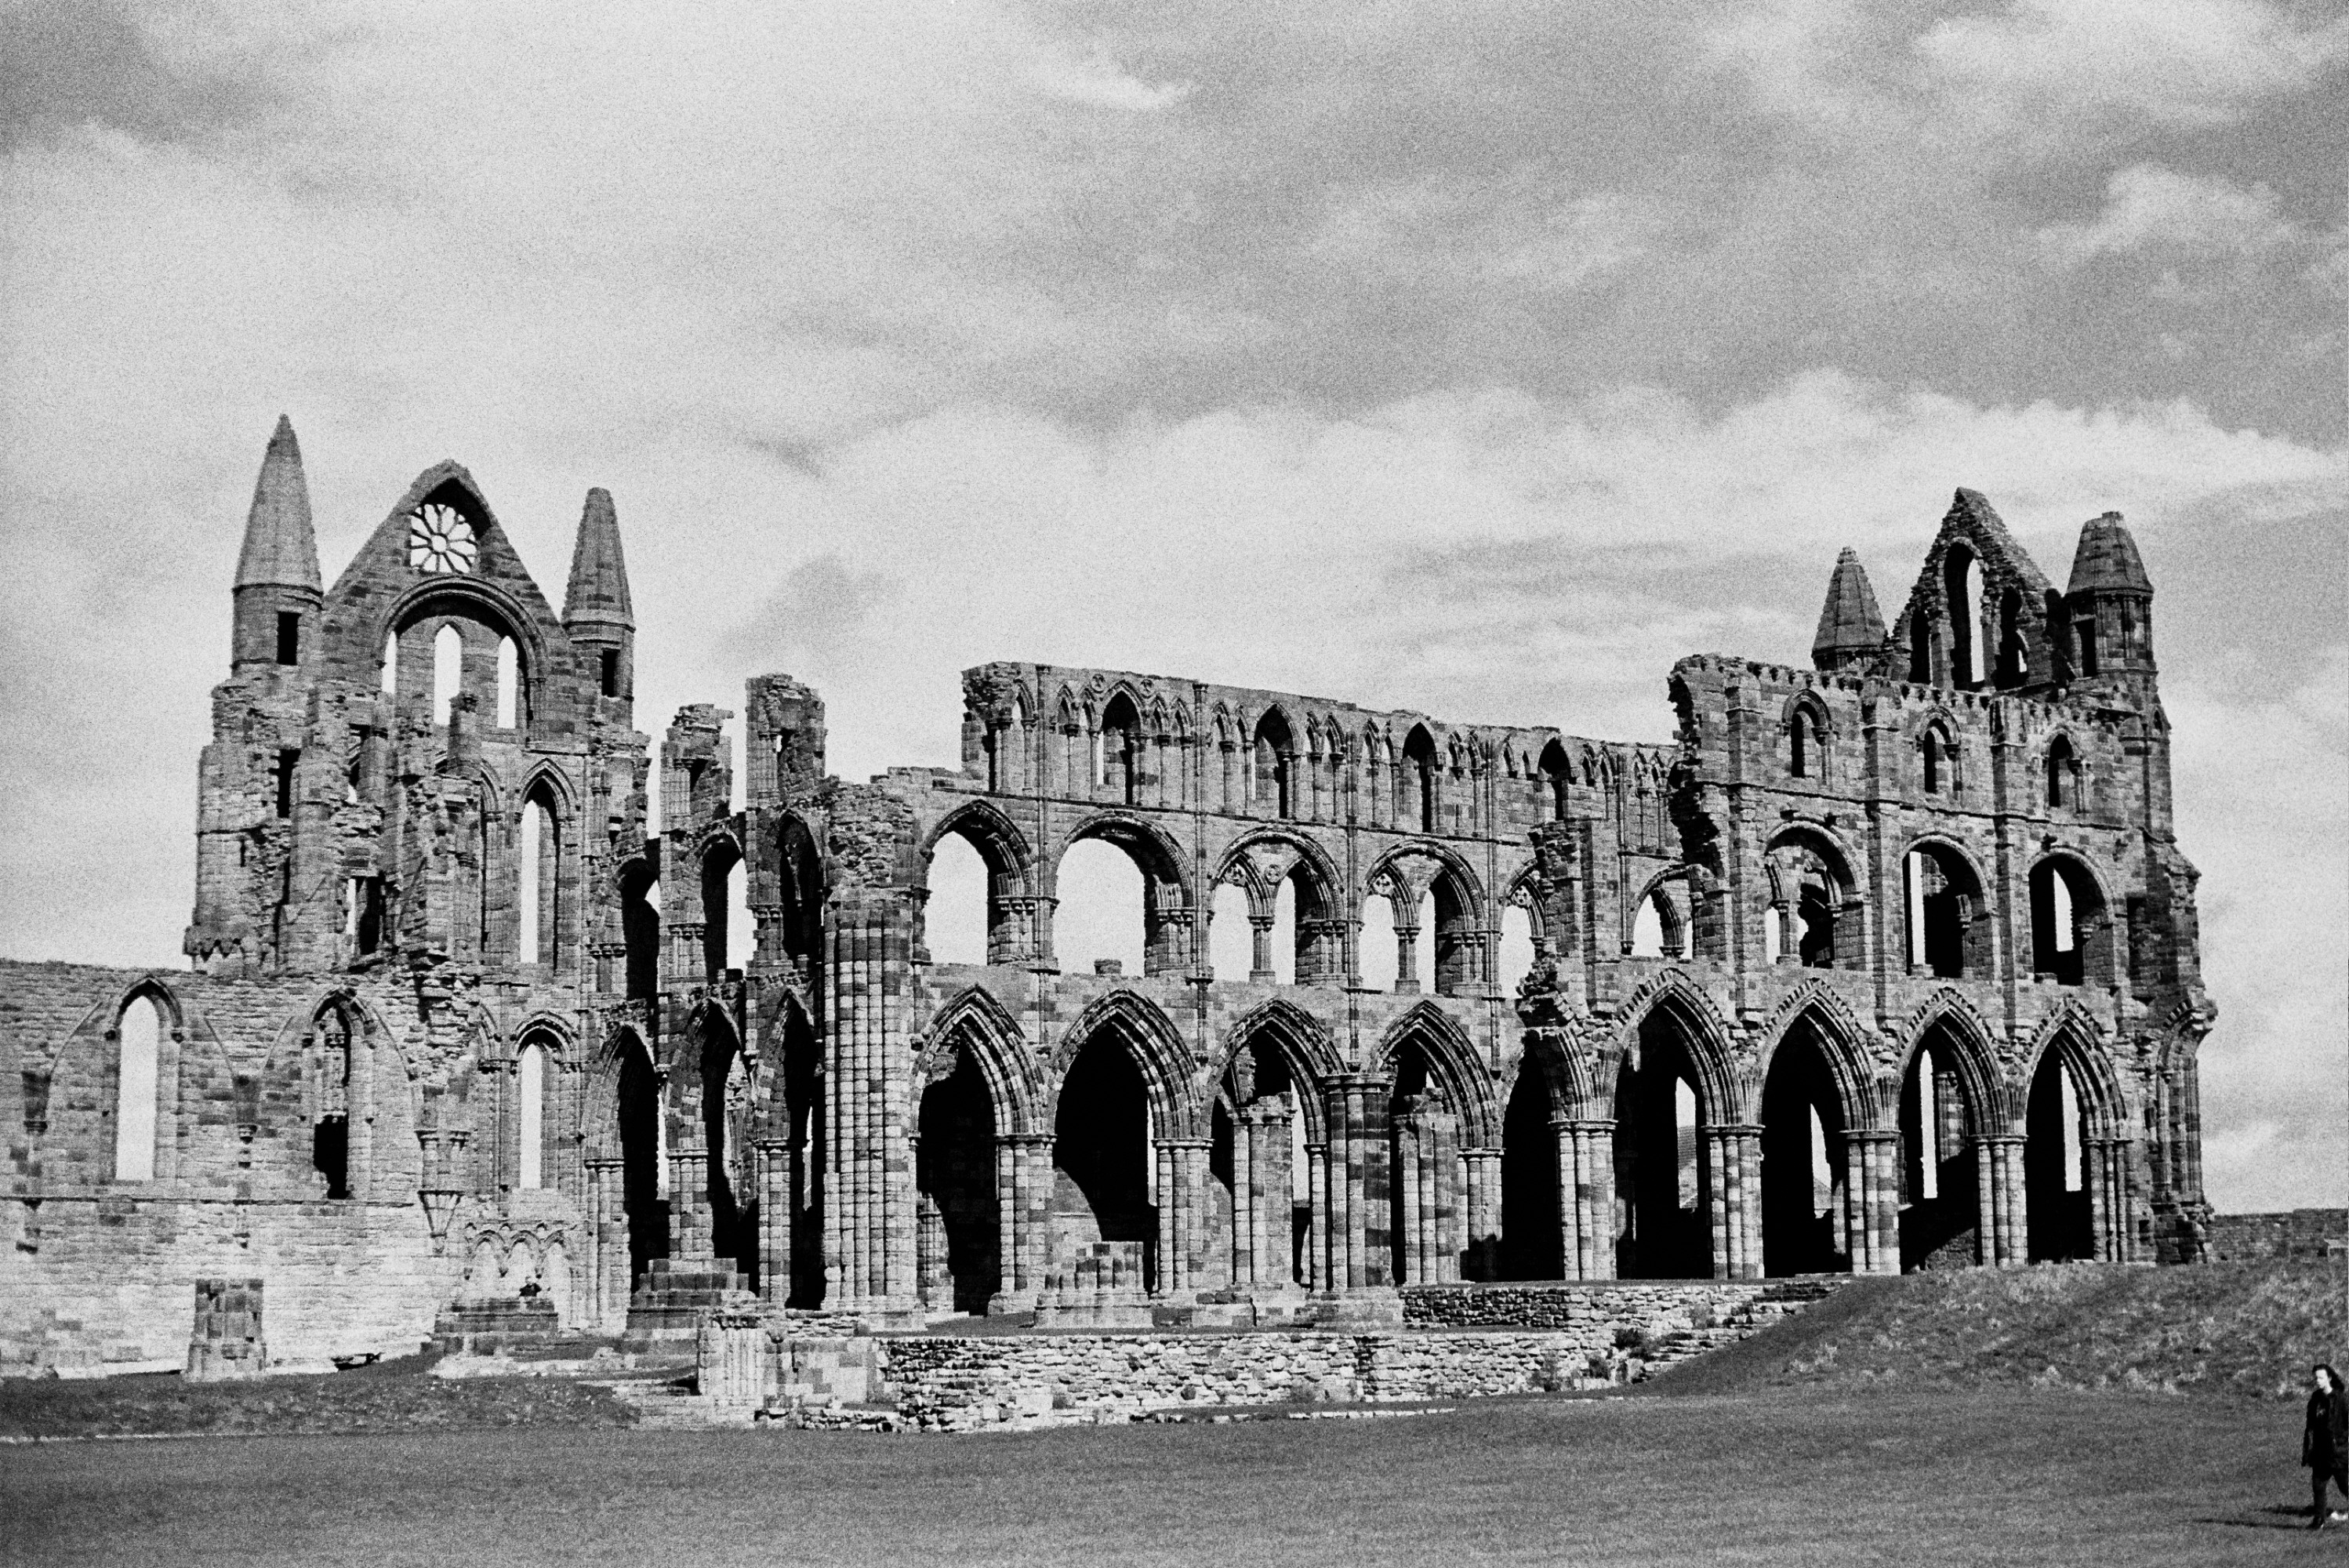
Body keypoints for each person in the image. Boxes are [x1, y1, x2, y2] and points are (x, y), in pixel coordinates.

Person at [2307, 1363, 2349, 1529]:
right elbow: (2310, 1426)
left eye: (2321, 1378)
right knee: (2318, 1485)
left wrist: (2341, 1441)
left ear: (2329, 1378)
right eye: (2316, 1378)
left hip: (2338, 1453)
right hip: (2320, 1452)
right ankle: (2319, 1520)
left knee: (2344, 1486)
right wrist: (2308, 1449)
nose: (2318, 1381)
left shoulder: (2341, 1399)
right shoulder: (2315, 1399)